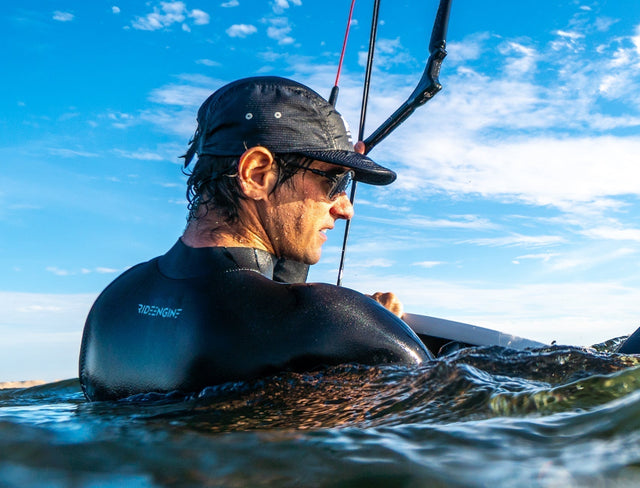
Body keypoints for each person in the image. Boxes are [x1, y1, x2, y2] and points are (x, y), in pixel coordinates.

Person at [79, 76, 432, 402]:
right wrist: (370, 326)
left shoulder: (112, 304)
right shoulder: (339, 324)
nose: (345, 208)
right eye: (335, 184)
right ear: (256, 173)